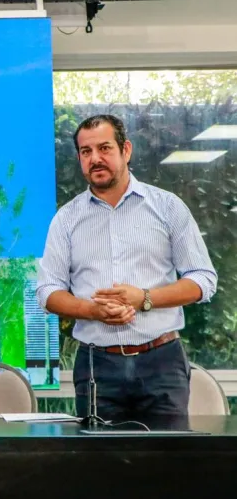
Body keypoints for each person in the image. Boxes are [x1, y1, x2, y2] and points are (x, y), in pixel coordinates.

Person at [36, 114, 218, 421]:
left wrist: (144, 298)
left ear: (126, 150)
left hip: (161, 362)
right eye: (86, 151)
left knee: (170, 452)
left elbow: (203, 279)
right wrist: (92, 310)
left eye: (104, 148)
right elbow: (47, 292)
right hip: (97, 365)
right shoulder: (66, 220)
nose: (95, 158)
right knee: (101, 454)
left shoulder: (167, 207)